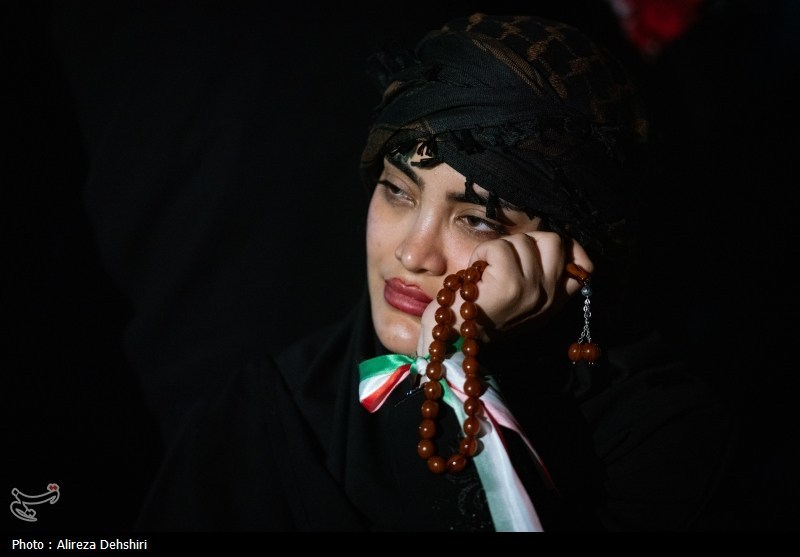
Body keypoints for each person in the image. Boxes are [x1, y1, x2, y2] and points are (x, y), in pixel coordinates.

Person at [135, 12, 735, 532]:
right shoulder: (265, 414)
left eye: (477, 220)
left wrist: (449, 361)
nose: (413, 254)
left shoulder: (658, 438)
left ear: (571, 254)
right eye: (398, 190)